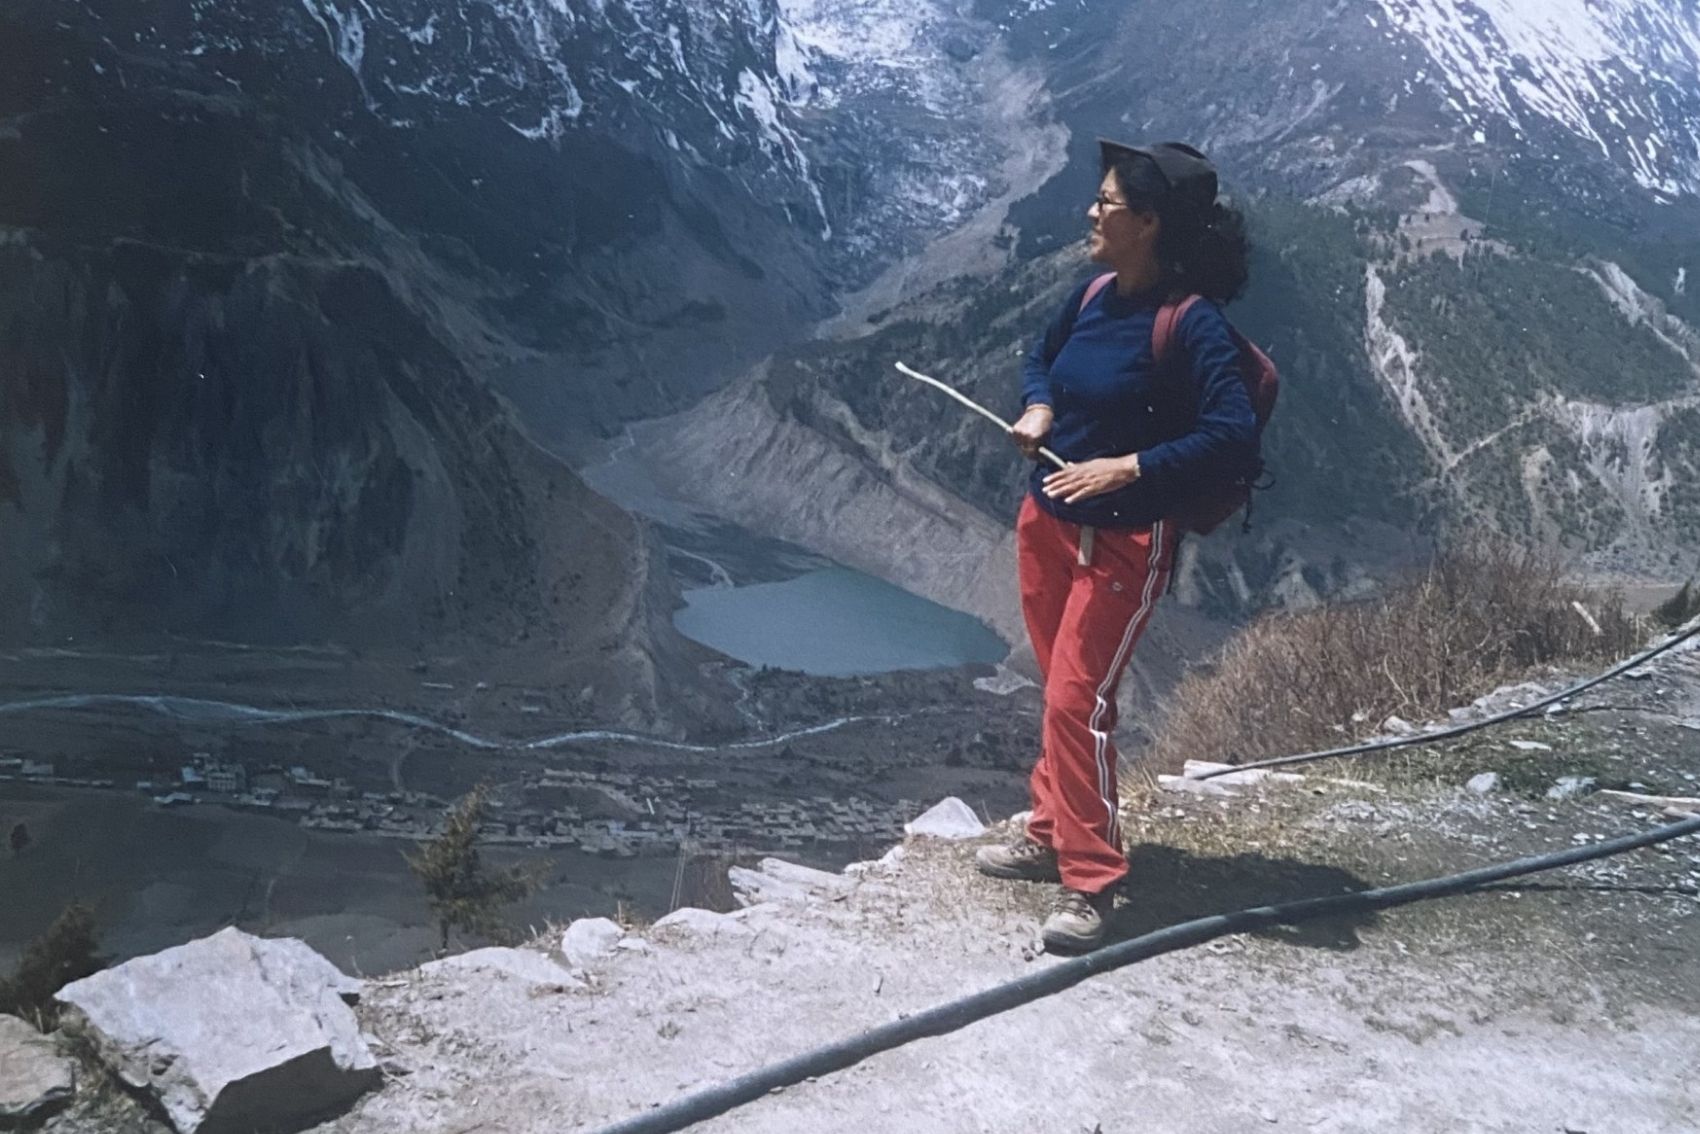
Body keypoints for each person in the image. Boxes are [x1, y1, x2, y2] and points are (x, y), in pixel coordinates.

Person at [975, 139, 1258, 951]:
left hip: (1126, 543)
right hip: (1049, 525)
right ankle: (1047, 829)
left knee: (1076, 701)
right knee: (1061, 690)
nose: (1092, 213)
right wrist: (1038, 409)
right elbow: (1042, 360)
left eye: (1106, 203)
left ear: (1149, 222)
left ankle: (1092, 882)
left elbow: (1233, 436)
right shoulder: (1093, 294)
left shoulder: (1192, 325)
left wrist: (1126, 467)